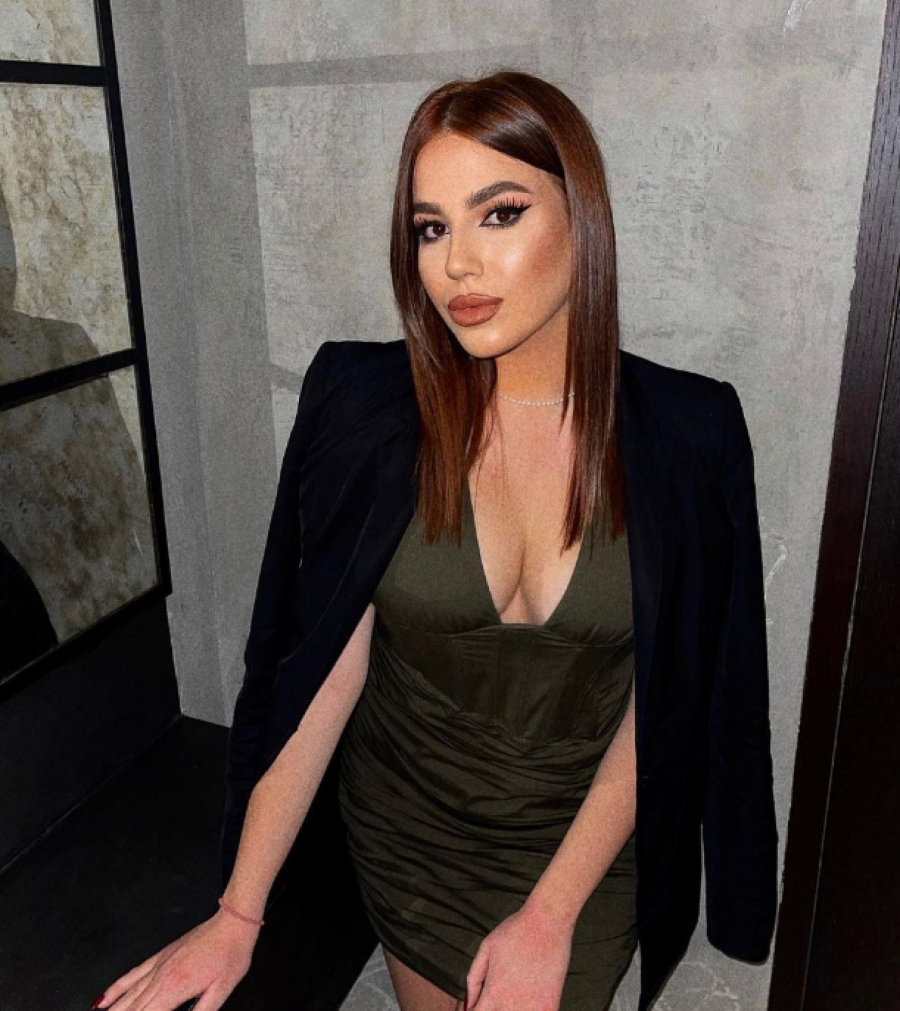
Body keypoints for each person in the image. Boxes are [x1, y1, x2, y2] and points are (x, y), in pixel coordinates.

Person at [93, 70, 778, 1011]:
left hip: (583, 846)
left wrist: (551, 914)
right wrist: (238, 913)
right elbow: (317, 671)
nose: (457, 264)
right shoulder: (363, 407)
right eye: (430, 227)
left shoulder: (692, 432)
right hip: (409, 828)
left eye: (499, 214)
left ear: (581, 218)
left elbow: (669, 698)